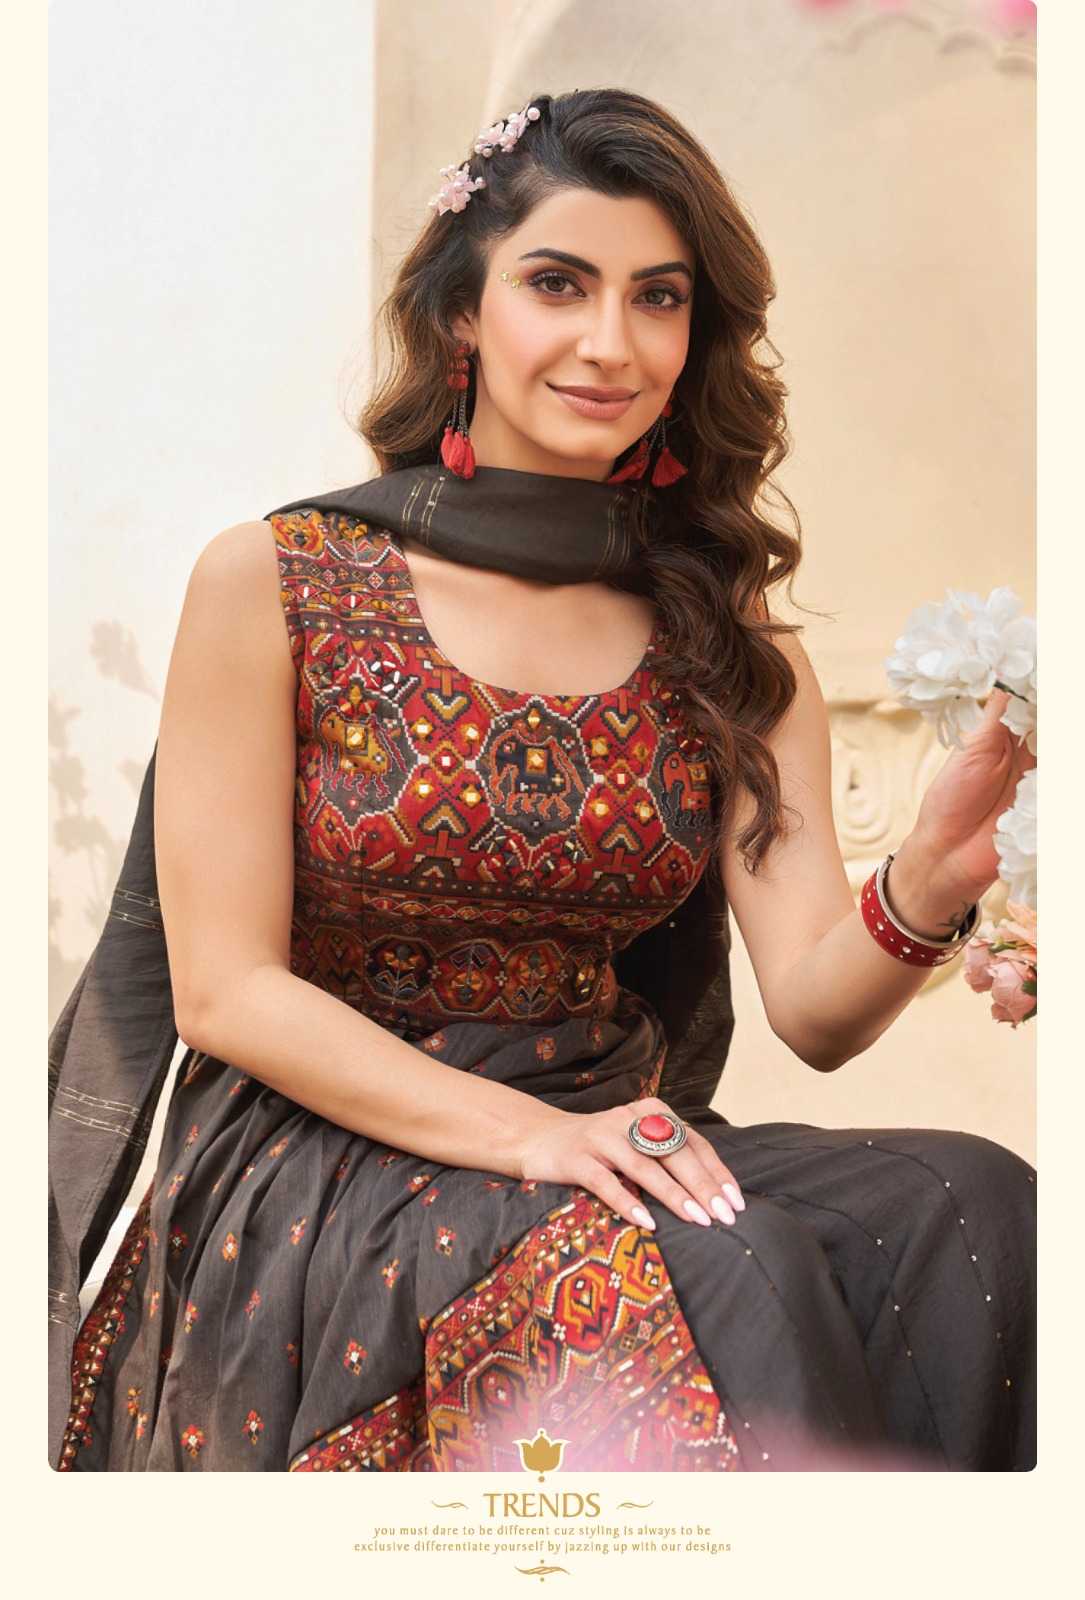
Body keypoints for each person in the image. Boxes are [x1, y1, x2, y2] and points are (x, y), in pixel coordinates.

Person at [52, 87, 1035, 1473]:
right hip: (319, 1158)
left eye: (657, 298)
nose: (608, 342)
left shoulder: (723, 636)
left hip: (608, 1128)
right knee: (717, 1267)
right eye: (557, 284)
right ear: (463, 312)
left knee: (975, 1209)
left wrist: (933, 872)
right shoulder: (283, 580)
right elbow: (225, 991)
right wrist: (533, 1141)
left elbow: (816, 1010)